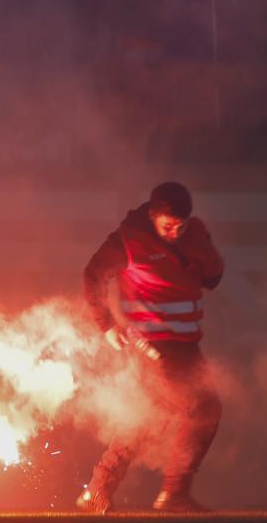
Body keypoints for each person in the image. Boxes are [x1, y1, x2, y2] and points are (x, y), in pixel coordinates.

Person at [78, 182, 224, 513]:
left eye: (181, 226)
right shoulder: (129, 240)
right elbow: (92, 275)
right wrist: (106, 326)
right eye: (168, 226)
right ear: (152, 216)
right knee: (205, 408)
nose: (175, 232)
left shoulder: (195, 233)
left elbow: (214, 278)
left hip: (186, 346)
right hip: (152, 347)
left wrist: (201, 252)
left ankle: (97, 490)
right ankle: (174, 492)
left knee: (149, 419)